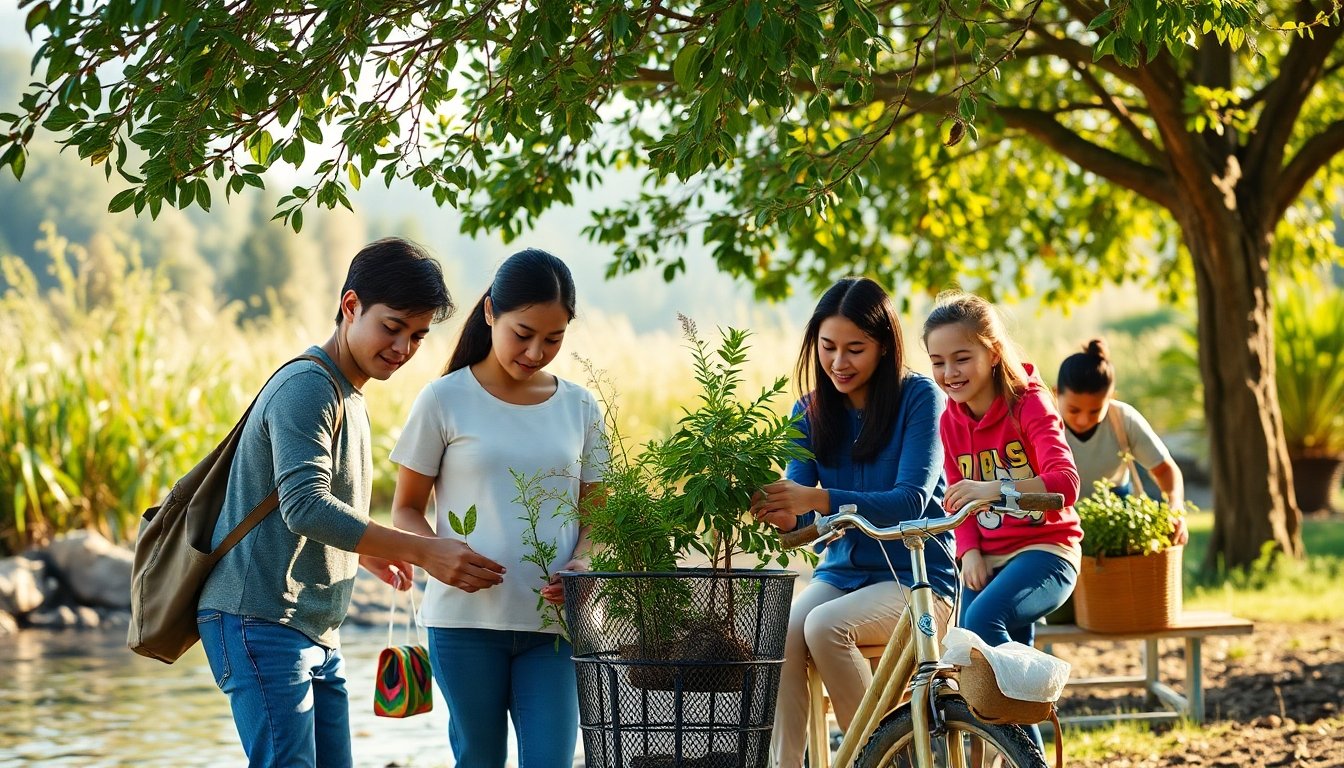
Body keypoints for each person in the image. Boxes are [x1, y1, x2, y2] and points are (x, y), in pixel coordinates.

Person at [197, 237, 488, 768]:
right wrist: (423, 550)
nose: (402, 348)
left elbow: (318, 506)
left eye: (417, 335)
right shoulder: (308, 386)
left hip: (312, 628)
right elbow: (305, 506)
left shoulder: (349, 392)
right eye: (392, 327)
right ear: (350, 305)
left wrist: (365, 549)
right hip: (260, 619)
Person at [389, 248, 604, 768]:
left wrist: (584, 562)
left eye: (553, 338)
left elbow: (597, 514)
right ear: (490, 312)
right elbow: (406, 509)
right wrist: (437, 555)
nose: (535, 352)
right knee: (479, 759)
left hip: (556, 626)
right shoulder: (443, 399)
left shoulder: (580, 406)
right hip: (463, 625)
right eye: (523, 333)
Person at [750, 277, 956, 768]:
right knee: (780, 631)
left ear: (884, 346)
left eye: (855, 349)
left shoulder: (919, 398)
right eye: (828, 347)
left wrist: (818, 498)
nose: (839, 362)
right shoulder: (808, 411)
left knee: (825, 627)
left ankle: (881, 760)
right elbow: (802, 511)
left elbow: (910, 501)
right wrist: (785, 514)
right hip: (841, 573)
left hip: (916, 579)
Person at [922, 290, 1082, 753]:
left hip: (1046, 552)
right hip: (987, 560)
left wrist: (994, 489)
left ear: (992, 353)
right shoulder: (950, 421)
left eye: (961, 358)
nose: (949, 373)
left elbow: (1065, 483)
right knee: (986, 684)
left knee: (980, 624)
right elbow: (958, 493)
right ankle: (1023, 759)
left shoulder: (1028, 402)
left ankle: (1025, 758)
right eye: (938, 362)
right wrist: (969, 548)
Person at [1056, 338, 1189, 526]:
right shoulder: (1042, 423)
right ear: (1056, 393)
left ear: (1111, 398)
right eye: (1074, 410)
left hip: (1116, 514)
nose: (1083, 420)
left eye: (1095, 411)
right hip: (1058, 515)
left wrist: (1175, 507)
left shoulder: (1123, 418)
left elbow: (1164, 470)